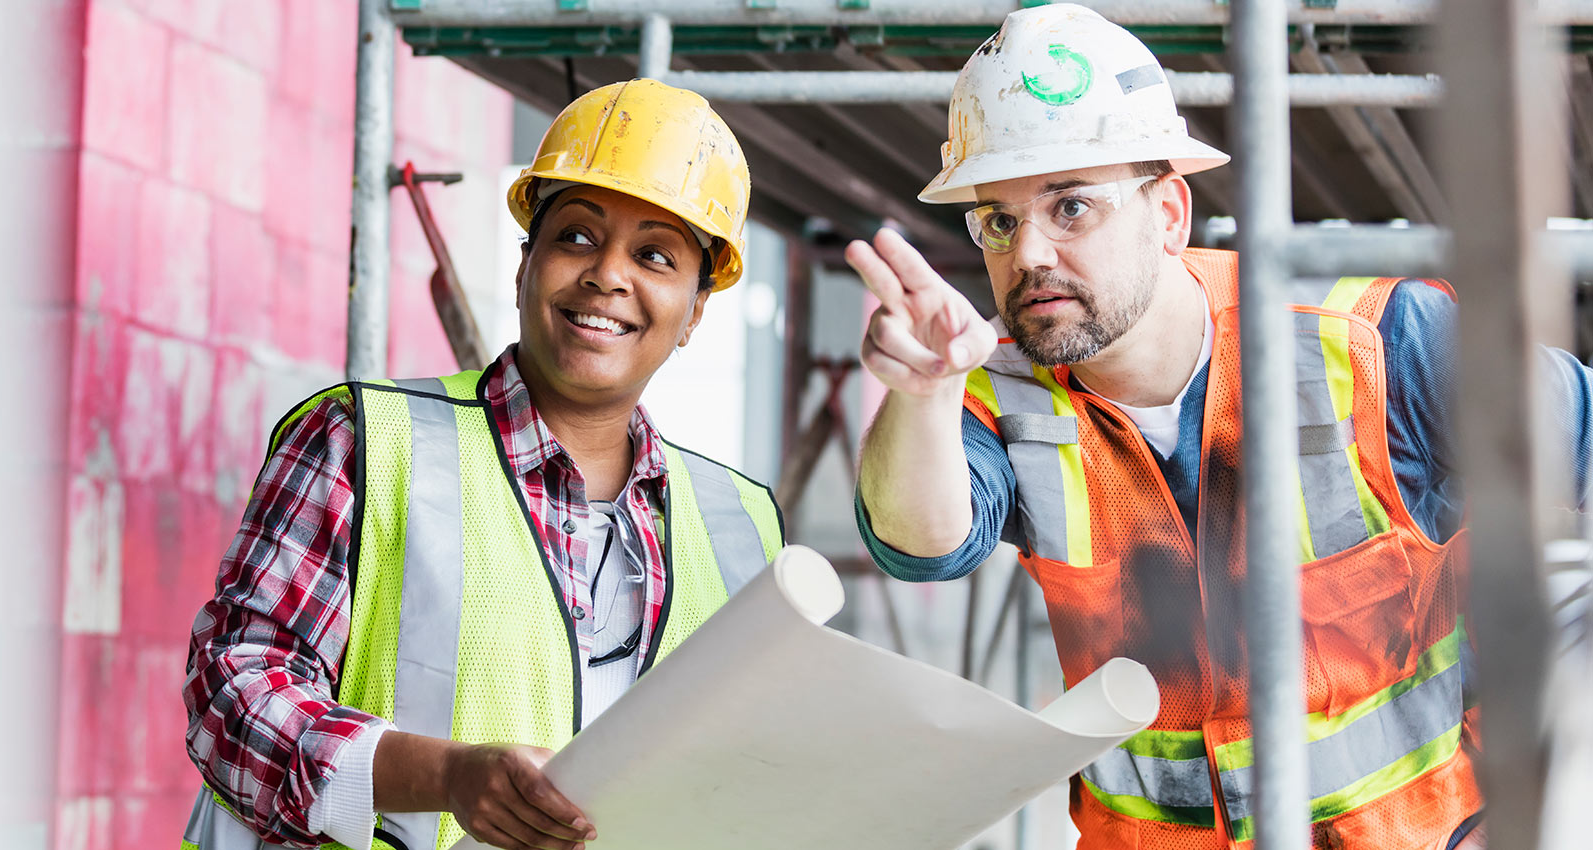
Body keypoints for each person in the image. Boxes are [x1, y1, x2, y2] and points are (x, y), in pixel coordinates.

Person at [850, 4, 1583, 848]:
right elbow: (920, 546)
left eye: (1072, 207)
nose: (1030, 255)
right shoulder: (995, 393)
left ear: (1168, 214)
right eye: (998, 221)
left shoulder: (1382, 345)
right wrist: (921, 394)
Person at [180, 79, 783, 850]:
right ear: (524, 265)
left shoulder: (742, 525)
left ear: (695, 309)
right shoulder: (366, 442)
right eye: (575, 237)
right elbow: (231, 695)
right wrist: (444, 775)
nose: (606, 274)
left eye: (655, 256)